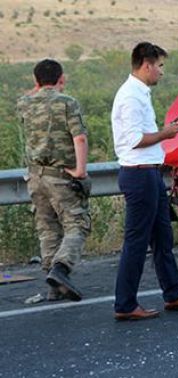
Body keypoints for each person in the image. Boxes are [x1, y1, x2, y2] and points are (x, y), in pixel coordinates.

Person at [111, 42, 178, 321]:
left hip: (150, 172)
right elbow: (134, 139)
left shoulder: (141, 94)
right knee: (137, 241)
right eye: (160, 66)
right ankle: (125, 303)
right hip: (138, 174)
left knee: (163, 237)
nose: (162, 72)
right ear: (146, 64)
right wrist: (166, 133)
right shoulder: (130, 96)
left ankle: (173, 294)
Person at [16, 59, 91, 302]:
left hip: (35, 176)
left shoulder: (24, 104)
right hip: (61, 175)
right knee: (77, 224)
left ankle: (53, 287)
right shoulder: (67, 102)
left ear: (36, 81)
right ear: (62, 78)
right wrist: (80, 170)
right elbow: (79, 138)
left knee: (47, 229)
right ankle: (61, 268)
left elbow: (31, 96)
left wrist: (37, 89)